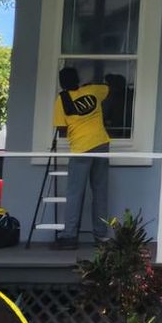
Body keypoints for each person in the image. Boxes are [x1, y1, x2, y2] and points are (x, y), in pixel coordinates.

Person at [52, 67, 113, 247]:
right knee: (100, 191)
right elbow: (111, 88)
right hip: (101, 143)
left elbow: (61, 129)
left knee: (75, 193)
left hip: (81, 148)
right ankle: (101, 236)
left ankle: (70, 236)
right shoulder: (93, 91)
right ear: (78, 79)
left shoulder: (62, 100)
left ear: (62, 82)